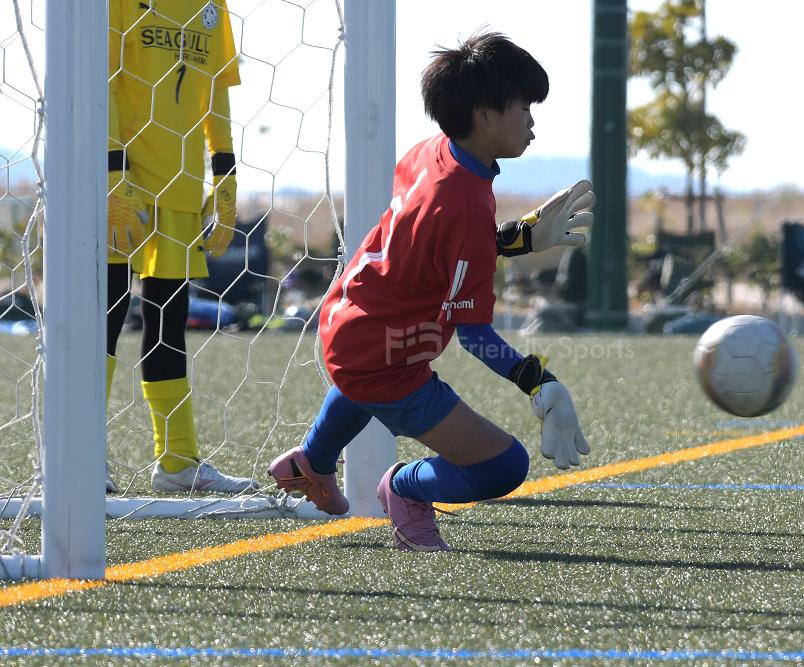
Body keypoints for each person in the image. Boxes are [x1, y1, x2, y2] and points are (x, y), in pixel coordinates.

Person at [268, 32, 593, 551]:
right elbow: (474, 334)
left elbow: (432, 244)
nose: (532, 121)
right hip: (385, 356)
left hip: (349, 317)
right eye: (524, 107)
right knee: (505, 466)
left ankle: (313, 459)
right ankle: (403, 488)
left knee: (362, 374)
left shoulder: (432, 150)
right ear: (484, 114)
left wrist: (509, 240)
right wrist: (537, 380)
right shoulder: (466, 202)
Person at [106, 0, 256, 493]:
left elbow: (216, 96)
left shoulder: (213, 7)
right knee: (104, 317)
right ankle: (81, 454)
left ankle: (177, 462)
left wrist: (226, 176)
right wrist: (111, 172)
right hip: (118, 187)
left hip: (180, 188)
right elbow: (103, 83)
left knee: (168, 325)